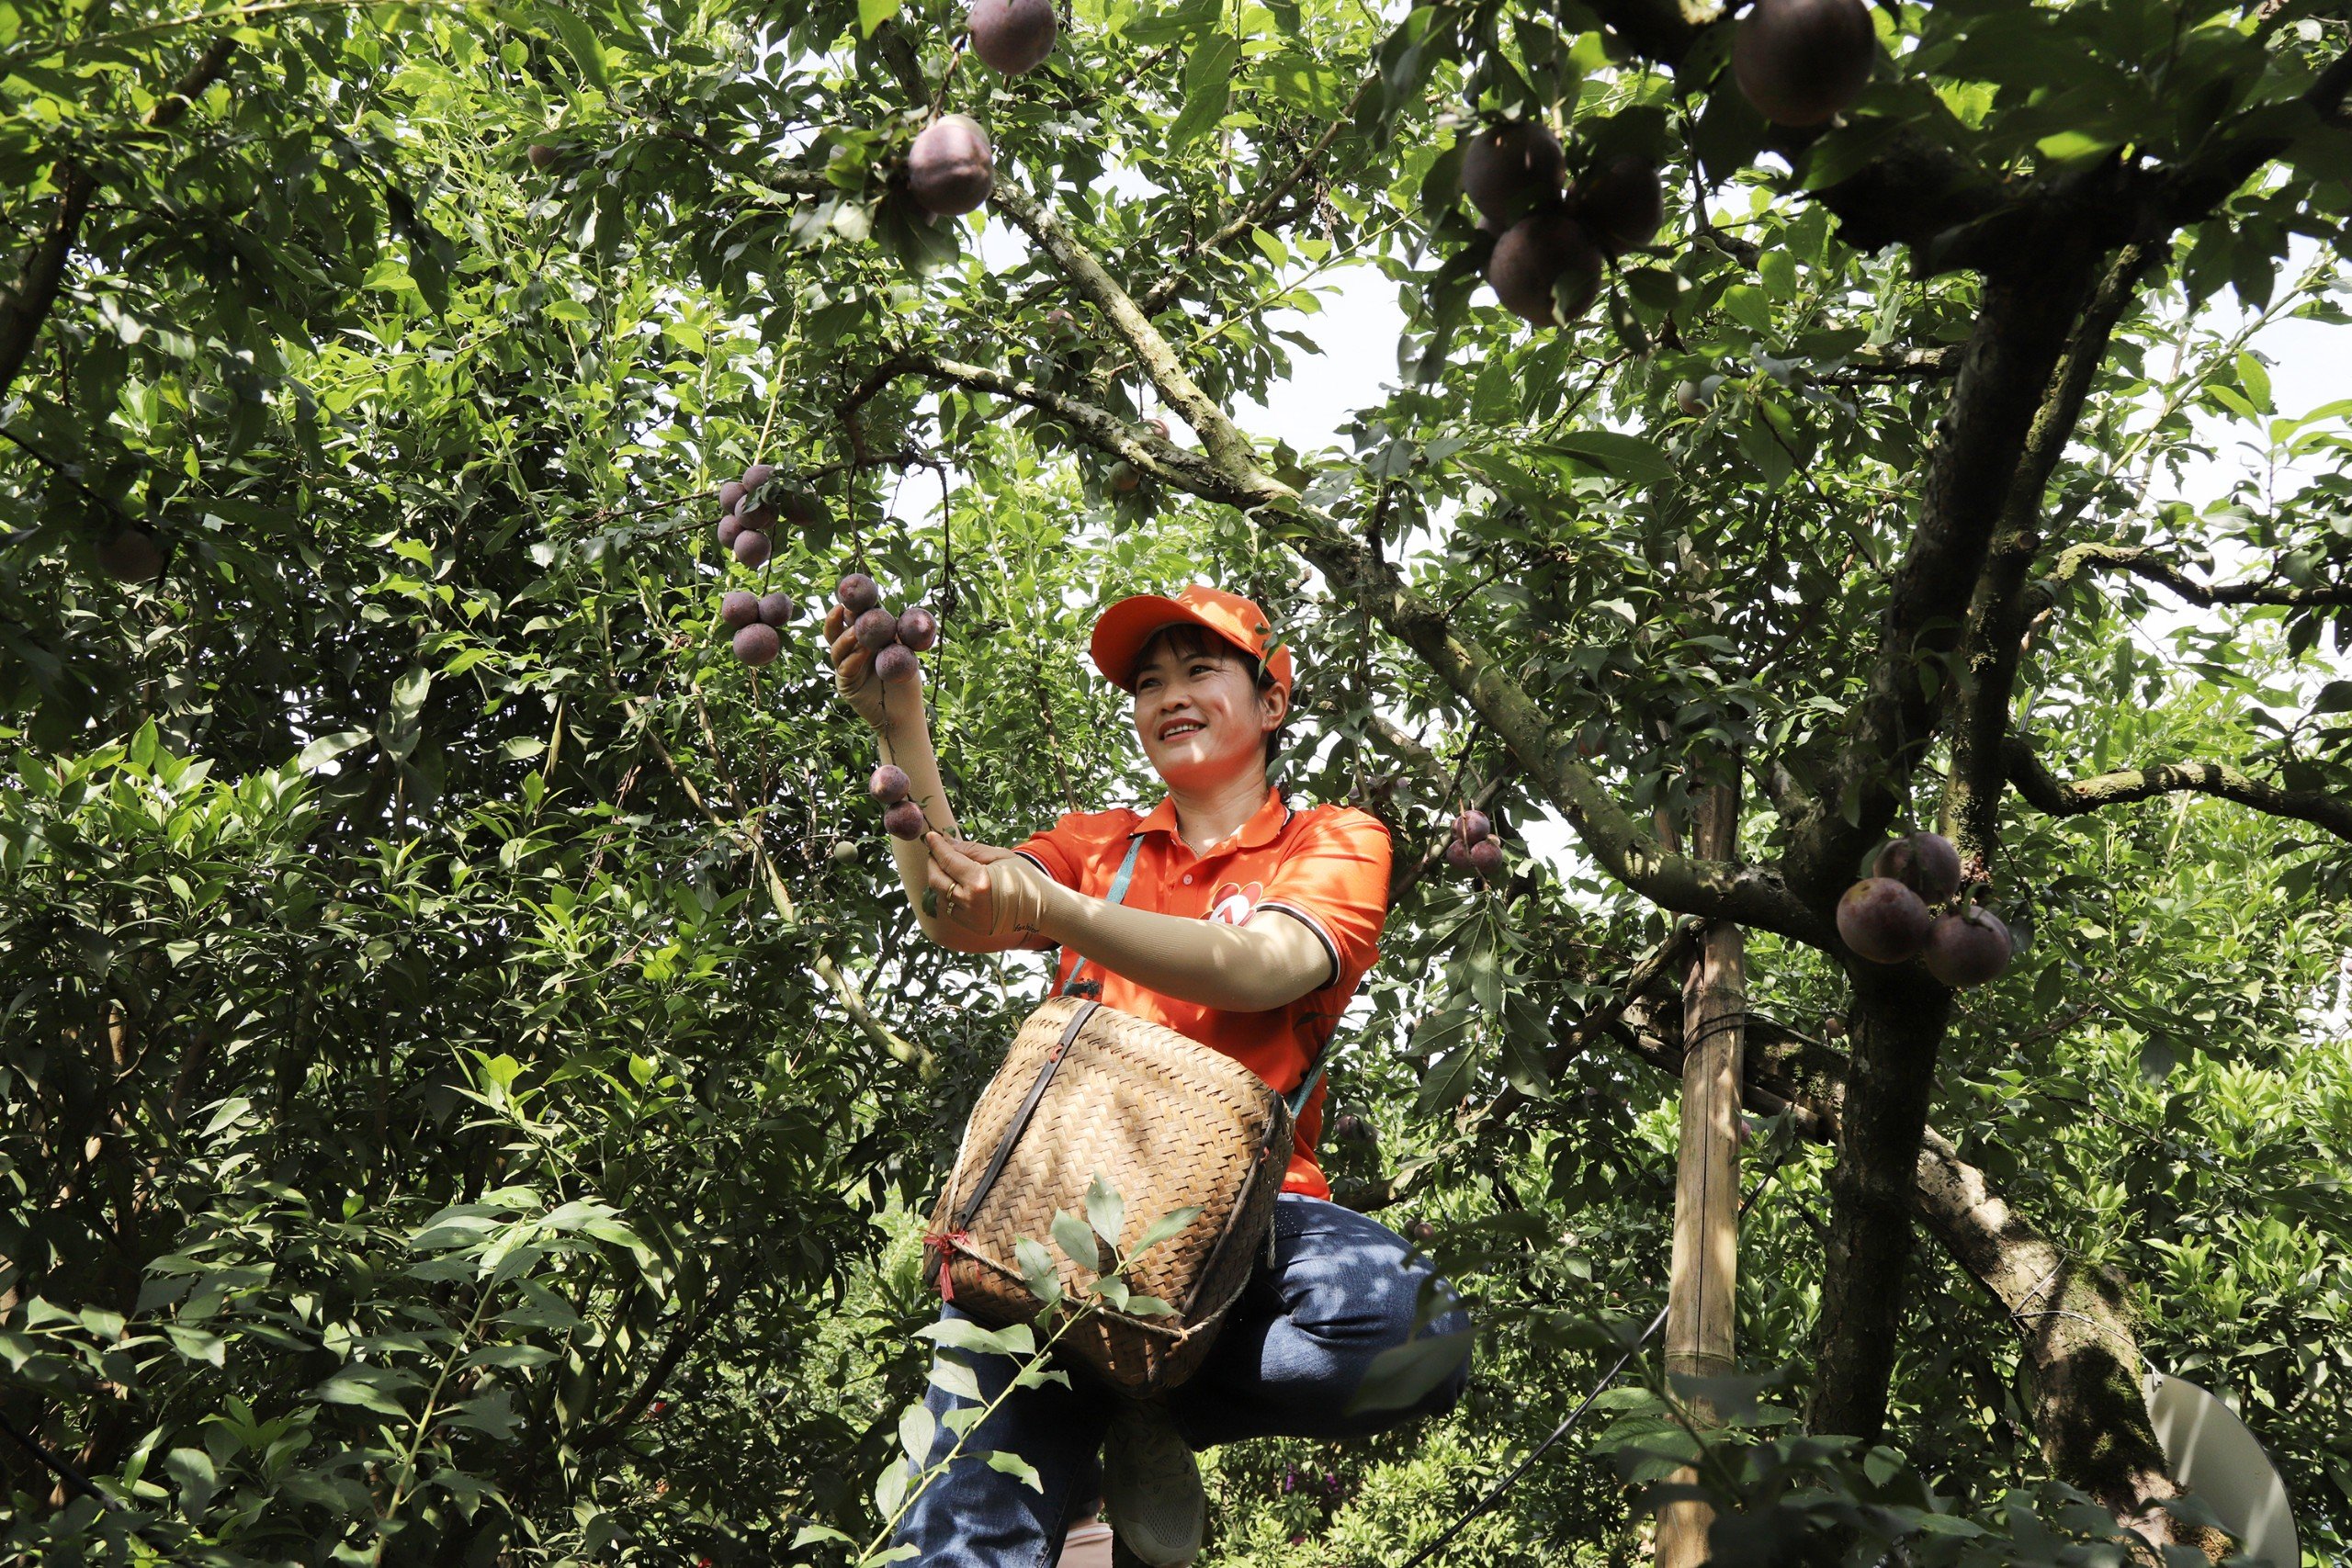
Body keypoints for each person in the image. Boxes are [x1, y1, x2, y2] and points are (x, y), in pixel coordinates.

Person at [824, 584, 1473, 1567]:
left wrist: (1058, 910)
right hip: (1044, 1241)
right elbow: (960, 907)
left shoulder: (1335, 839)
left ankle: (1148, 1395)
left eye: (1200, 668)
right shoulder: (1096, 846)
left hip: (1245, 1229)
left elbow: (1264, 966)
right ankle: (1123, 1391)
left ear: (1272, 701)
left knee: (1411, 1335)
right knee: (963, 1537)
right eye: (1147, 680)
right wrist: (898, 730)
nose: (1168, 693)